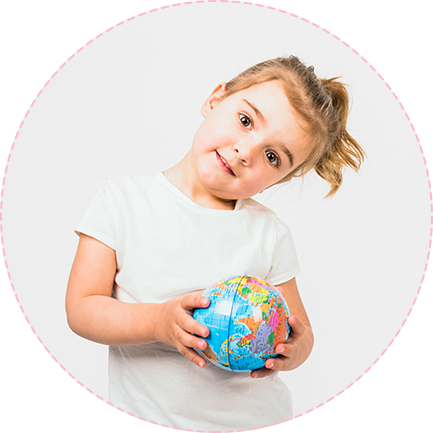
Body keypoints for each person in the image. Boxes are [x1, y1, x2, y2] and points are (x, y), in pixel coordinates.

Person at [65, 56, 365, 432]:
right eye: (246, 120)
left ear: (278, 180)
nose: (245, 152)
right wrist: (158, 322)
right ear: (215, 99)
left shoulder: (268, 233)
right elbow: (82, 308)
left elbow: (300, 330)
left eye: (272, 157)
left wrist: (293, 349)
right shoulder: (121, 203)